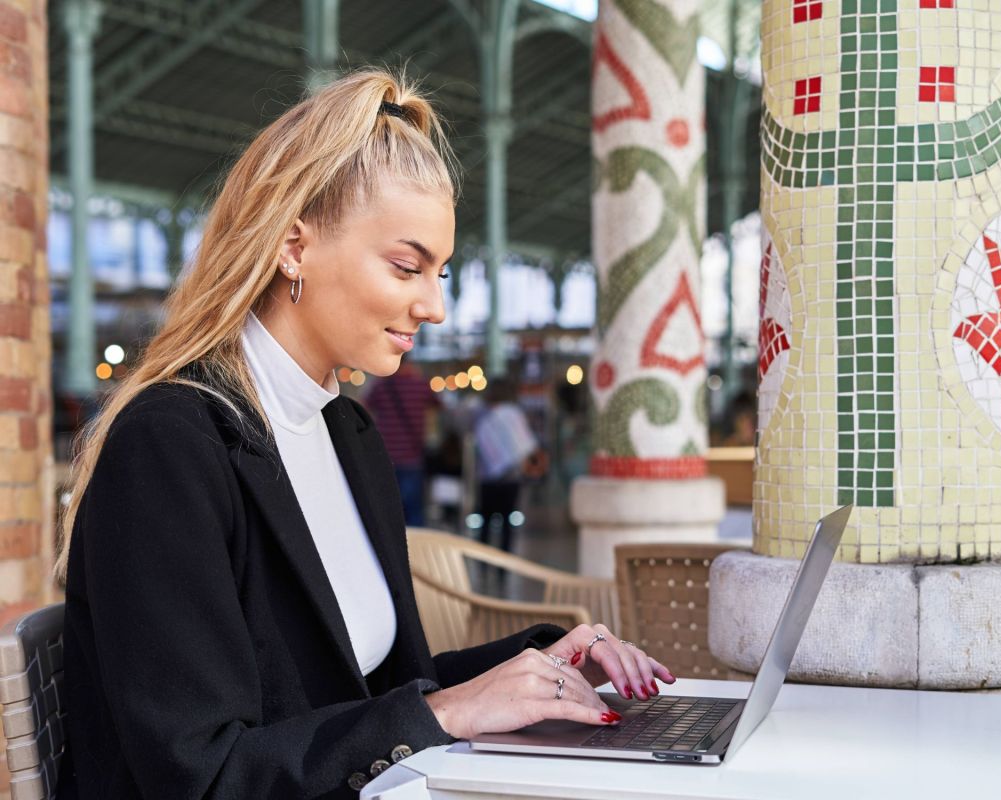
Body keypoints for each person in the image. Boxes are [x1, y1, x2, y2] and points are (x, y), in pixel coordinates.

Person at [55, 70, 674, 800]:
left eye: (441, 272)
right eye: (408, 266)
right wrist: (446, 711)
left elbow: (374, 693)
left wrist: (539, 667)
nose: (435, 306)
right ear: (293, 248)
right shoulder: (170, 446)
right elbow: (200, 774)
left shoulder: (347, 433)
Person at [473, 377, 547, 553]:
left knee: (485, 522)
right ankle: (503, 567)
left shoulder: (483, 414)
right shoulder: (513, 414)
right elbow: (525, 444)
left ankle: (483, 562)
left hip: (487, 478)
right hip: (511, 478)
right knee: (507, 524)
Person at [364, 359, 439, 526]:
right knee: (414, 510)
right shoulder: (420, 385)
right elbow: (438, 405)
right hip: (412, 455)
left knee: (388, 510)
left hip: (385, 455)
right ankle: (415, 549)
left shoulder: (381, 386)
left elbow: (365, 406)